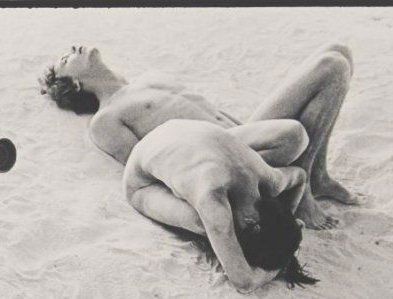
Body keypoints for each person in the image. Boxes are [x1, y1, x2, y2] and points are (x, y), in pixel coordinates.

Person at [40, 43, 359, 231]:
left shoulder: (149, 78)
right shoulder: (105, 120)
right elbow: (148, 169)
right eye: (66, 59)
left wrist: (261, 132)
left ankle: (316, 174)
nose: (73, 49)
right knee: (329, 67)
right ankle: (303, 189)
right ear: (75, 84)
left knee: (339, 53)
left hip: (243, 135)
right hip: (221, 156)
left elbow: (215, 112)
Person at [121, 118, 316, 292]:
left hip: (184, 129)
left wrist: (288, 222)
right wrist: (281, 264)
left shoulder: (273, 180)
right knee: (202, 222)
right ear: (251, 222)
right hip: (140, 181)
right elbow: (244, 282)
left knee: (214, 222)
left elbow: (300, 176)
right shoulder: (214, 198)